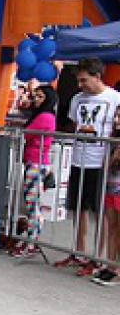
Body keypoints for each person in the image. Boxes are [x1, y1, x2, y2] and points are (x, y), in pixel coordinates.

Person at [55, 58, 120, 274]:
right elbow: (75, 124)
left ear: (97, 76)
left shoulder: (114, 98)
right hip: (78, 159)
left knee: (100, 213)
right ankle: (79, 252)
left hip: (100, 162)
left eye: (84, 80)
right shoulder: (77, 99)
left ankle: (97, 258)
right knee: (78, 209)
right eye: (79, 80)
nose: (80, 85)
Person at [11, 85, 57, 258]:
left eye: (40, 96)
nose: (36, 99)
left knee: (32, 204)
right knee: (32, 203)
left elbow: (27, 133)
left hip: (36, 163)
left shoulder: (45, 116)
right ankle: (31, 240)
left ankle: (31, 241)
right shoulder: (44, 115)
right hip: (35, 161)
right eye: (35, 96)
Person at [93, 110, 120, 285]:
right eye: (116, 116)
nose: (116, 120)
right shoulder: (113, 140)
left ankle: (117, 269)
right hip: (111, 188)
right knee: (112, 228)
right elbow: (107, 165)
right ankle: (110, 265)